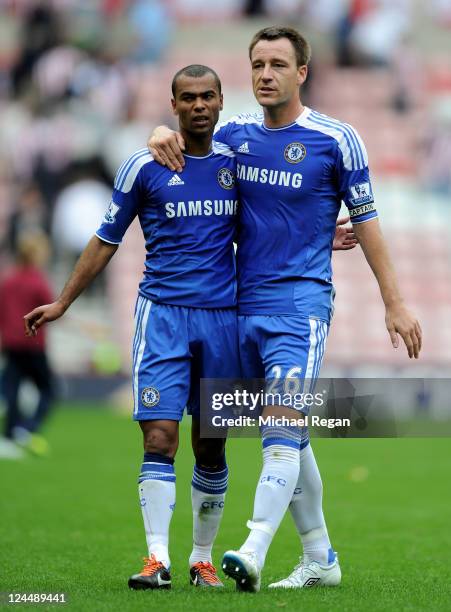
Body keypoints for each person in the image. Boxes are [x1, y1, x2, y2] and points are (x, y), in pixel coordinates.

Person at [24, 62, 356, 591]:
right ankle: (157, 558)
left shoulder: (238, 163)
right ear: (173, 105)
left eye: (207, 97)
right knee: (159, 436)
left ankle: (203, 558)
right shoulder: (145, 165)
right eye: (187, 98)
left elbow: (279, 214)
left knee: (211, 446)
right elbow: (106, 237)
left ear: (221, 102)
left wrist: (318, 237)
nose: (198, 105)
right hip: (162, 317)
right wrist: (64, 300)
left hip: (224, 320)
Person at [148, 26, 422, 592]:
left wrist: (394, 302)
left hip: (299, 307)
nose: (265, 74)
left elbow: (367, 221)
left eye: (277, 64)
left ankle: (252, 548)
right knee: (292, 437)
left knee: (281, 424)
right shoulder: (235, 136)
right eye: (257, 64)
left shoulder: (336, 138)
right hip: (237, 307)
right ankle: (320, 557)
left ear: (302, 72)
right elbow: (188, 142)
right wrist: (158, 132)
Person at [0, 232, 55, 457]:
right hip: (32, 344)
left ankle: (9, 436)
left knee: (12, 389)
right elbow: (51, 310)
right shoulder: (37, 282)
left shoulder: (8, 281)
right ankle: (26, 428)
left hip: (11, 344)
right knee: (48, 390)